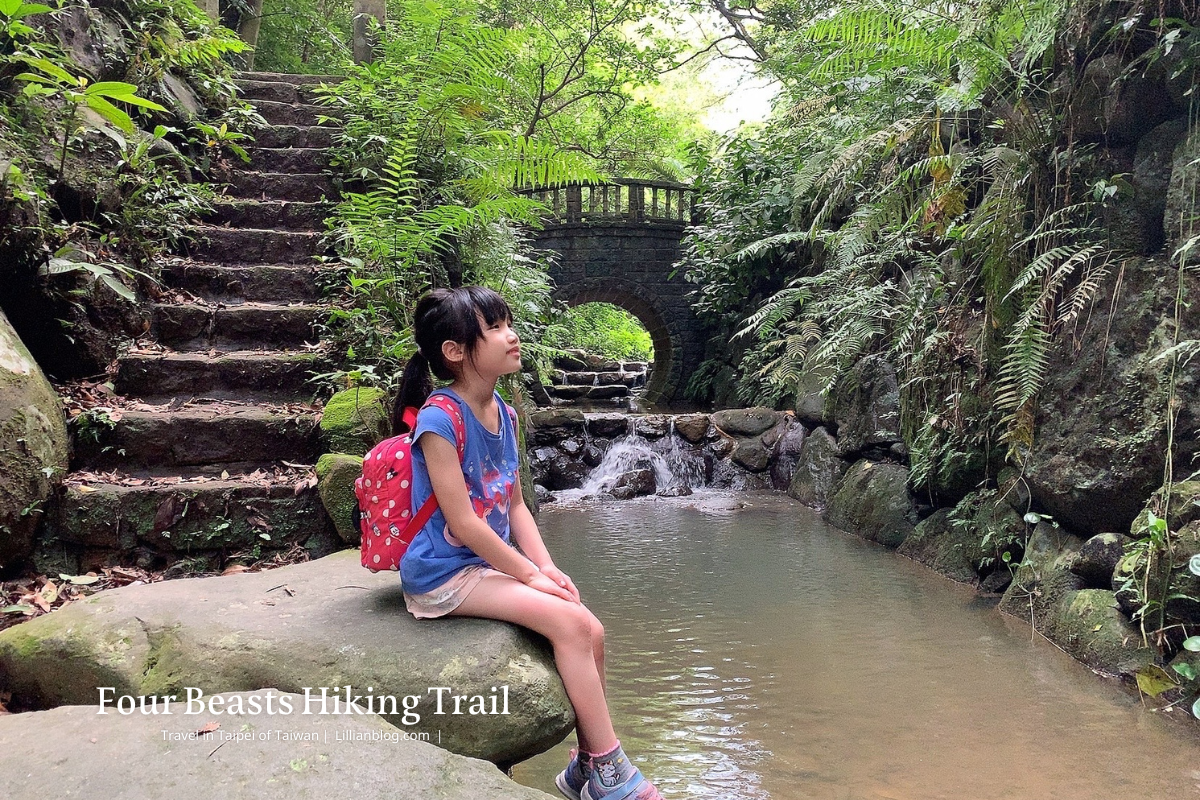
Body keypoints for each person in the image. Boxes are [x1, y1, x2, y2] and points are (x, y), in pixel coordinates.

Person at [396, 286, 665, 800]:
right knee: (567, 622)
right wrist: (528, 574)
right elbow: (466, 522)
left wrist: (549, 568)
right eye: (495, 327)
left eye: (508, 323)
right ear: (455, 351)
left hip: (485, 566)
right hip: (444, 573)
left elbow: (516, 505)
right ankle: (610, 772)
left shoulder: (505, 410)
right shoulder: (438, 420)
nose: (511, 336)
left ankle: (586, 767)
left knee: (592, 626)